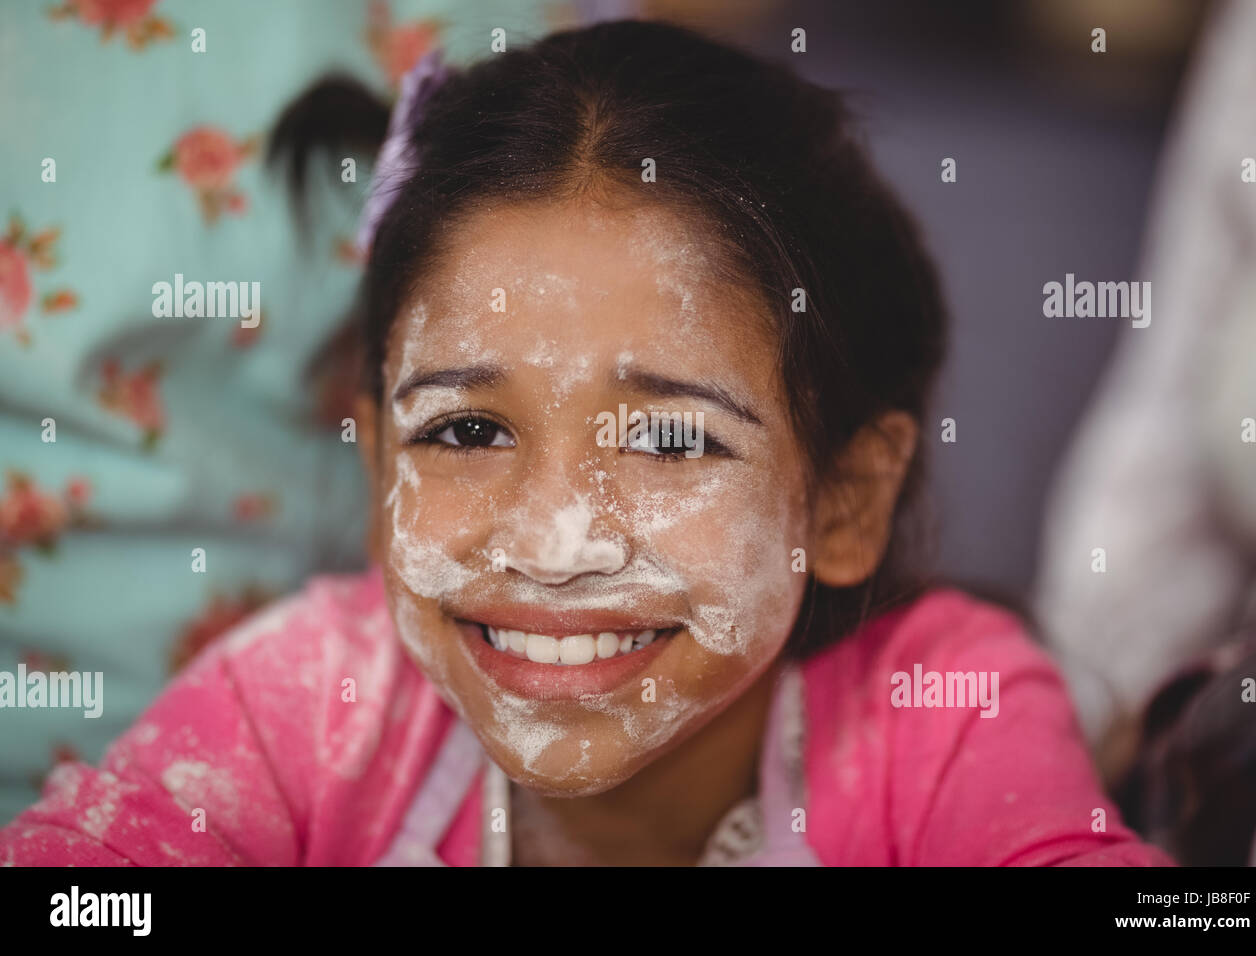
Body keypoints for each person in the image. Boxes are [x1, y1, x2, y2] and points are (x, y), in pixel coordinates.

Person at [0, 20, 1172, 866]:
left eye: (667, 440)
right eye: (466, 428)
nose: (554, 541)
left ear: (843, 498)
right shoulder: (304, 698)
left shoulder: (941, 709)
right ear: (375, 469)